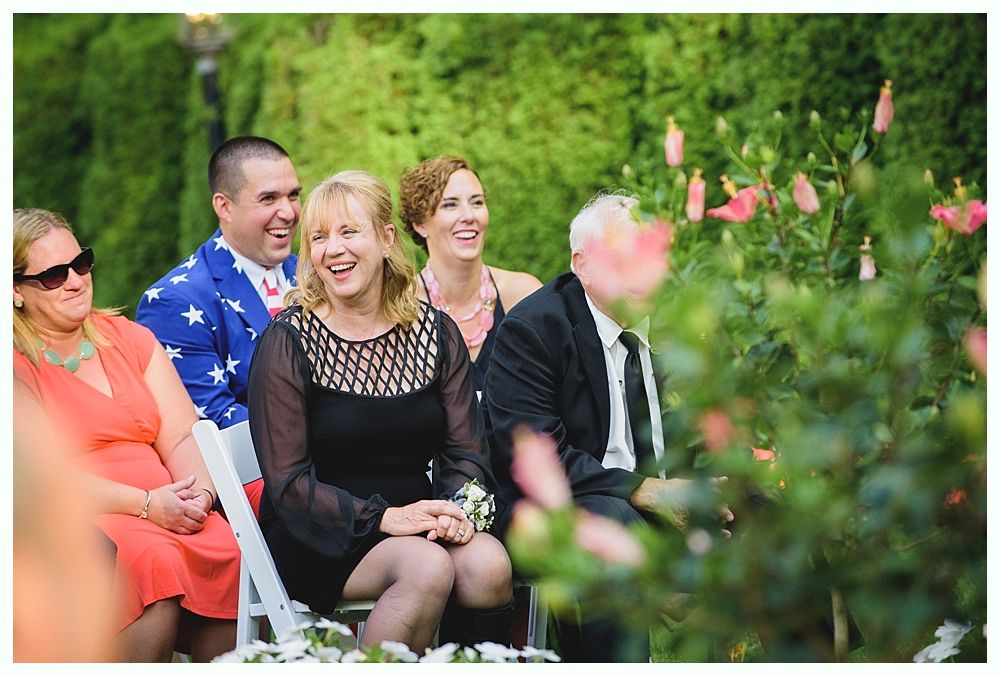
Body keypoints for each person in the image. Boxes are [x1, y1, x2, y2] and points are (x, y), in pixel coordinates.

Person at [247, 170, 514, 653]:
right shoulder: (288, 342)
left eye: (349, 232)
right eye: (319, 237)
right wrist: (383, 518)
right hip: (318, 529)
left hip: (418, 520)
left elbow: (467, 452)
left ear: (387, 238)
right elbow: (288, 484)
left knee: (488, 564)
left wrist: (457, 512)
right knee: (427, 567)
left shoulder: (436, 334)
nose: (333, 249)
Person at [482, 193, 733, 662]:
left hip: (666, 496)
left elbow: (705, 429)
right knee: (608, 521)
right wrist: (647, 491)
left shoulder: (679, 322)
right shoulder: (533, 331)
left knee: (763, 511)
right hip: (567, 507)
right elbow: (539, 460)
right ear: (582, 264)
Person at [13, 208, 240, 662]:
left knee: (228, 549)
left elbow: (182, 435)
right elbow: (43, 479)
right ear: (16, 290)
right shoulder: (15, 364)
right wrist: (148, 505)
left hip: (171, 503)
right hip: (87, 514)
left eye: (81, 264)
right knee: (151, 560)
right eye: (54, 276)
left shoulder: (129, 338)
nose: (75, 281)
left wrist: (199, 496)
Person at [136, 135, 300, 513]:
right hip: (259, 489)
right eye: (268, 198)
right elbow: (214, 426)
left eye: (293, 195)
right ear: (223, 206)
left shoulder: (314, 272)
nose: (289, 212)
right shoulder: (176, 301)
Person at [398, 156, 542, 392]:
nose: (469, 216)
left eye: (477, 202)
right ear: (419, 223)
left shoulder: (524, 295)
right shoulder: (403, 307)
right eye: (450, 205)